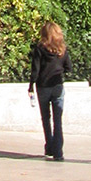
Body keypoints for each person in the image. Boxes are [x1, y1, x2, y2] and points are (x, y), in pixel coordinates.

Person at [28, 21, 71, 161]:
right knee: (58, 120)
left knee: (46, 118)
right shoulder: (62, 49)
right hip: (58, 86)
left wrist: (31, 86)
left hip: (43, 86)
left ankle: (49, 147)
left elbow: (35, 70)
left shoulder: (39, 49)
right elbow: (68, 67)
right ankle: (58, 152)